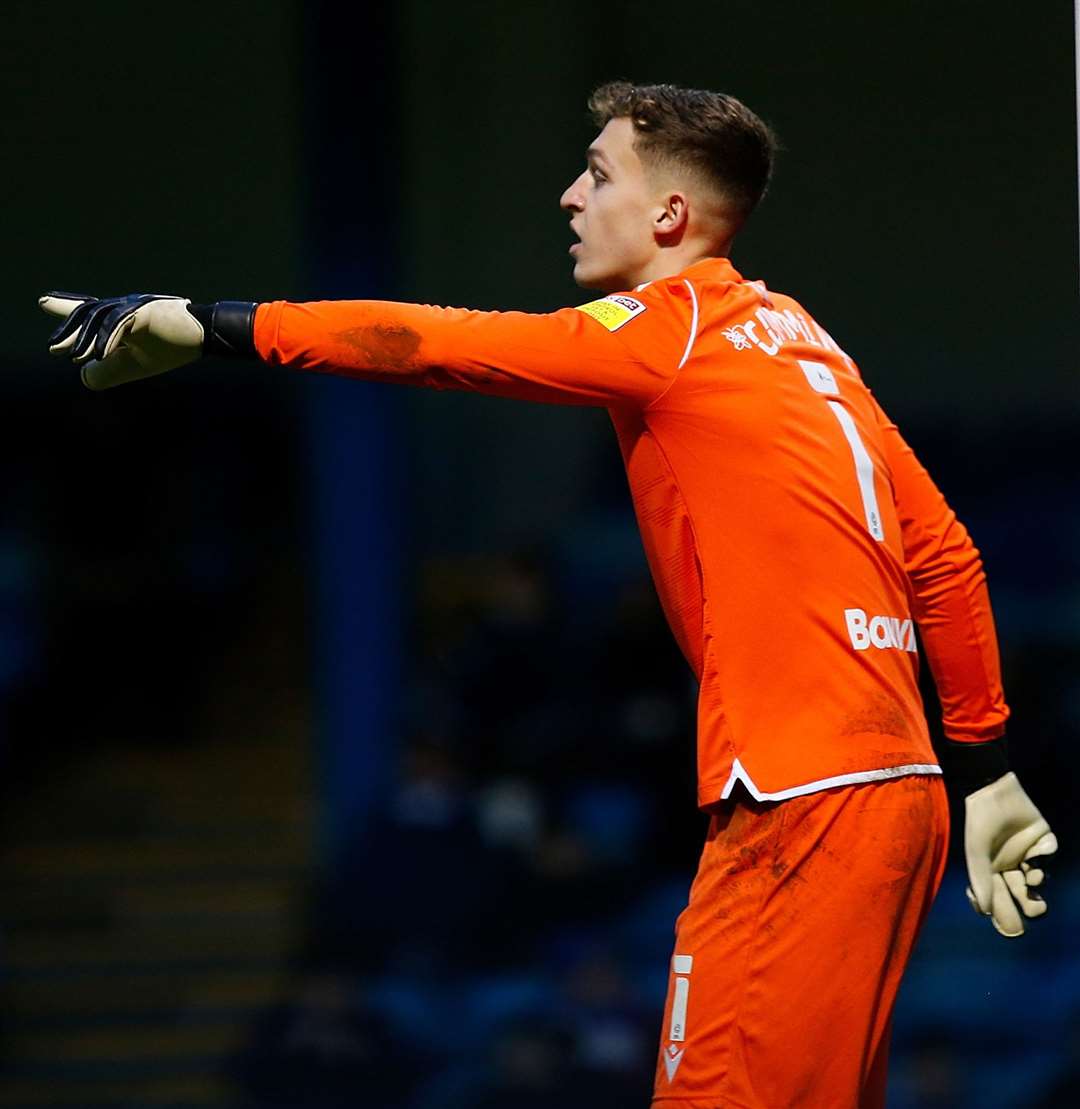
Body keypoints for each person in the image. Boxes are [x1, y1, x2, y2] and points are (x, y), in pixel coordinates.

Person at [40, 81, 1057, 1108]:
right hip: (896, 792)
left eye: (599, 172)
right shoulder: (804, 339)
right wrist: (986, 768)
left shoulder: (670, 327)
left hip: (797, 801)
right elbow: (944, 555)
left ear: (668, 216)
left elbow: (444, 344)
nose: (571, 194)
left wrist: (213, 325)